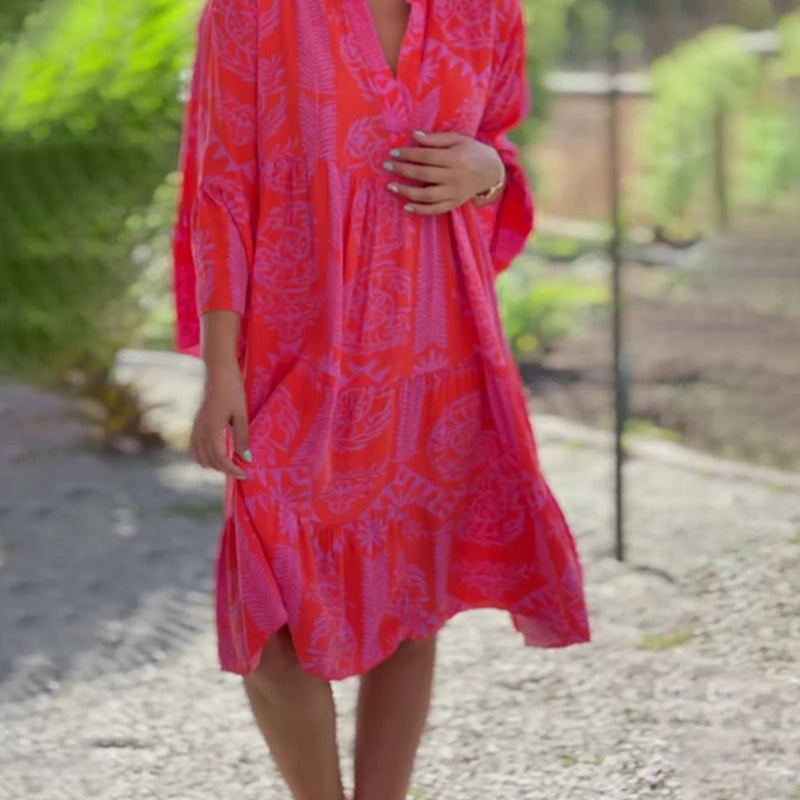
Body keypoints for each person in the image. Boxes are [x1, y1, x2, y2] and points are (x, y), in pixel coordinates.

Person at [171, 0, 591, 798]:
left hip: (435, 348)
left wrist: (487, 171)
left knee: (410, 602)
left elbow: (498, 148)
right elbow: (221, 189)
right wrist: (220, 368)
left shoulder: (485, 12)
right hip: (293, 351)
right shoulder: (251, 13)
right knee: (273, 631)